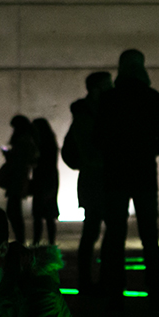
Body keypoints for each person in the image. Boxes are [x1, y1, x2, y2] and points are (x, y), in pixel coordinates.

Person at [97, 50, 159, 311]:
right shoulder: (156, 99)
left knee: (115, 237)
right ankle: (155, 294)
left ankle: (116, 295)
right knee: (150, 237)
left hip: (115, 175)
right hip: (144, 175)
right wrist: (144, 149)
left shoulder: (108, 99)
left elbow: (99, 139)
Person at [62, 71, 112, 293]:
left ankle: (91, 280)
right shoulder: (87, 114)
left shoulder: (87, 112)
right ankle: (94, 280)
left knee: (93, 231)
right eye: (107, 85)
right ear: (96, 89)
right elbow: (90, 153)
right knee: (97, 231)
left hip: (94, 180)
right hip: (97, 181)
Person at [0, 115, 39, 244]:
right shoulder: (28, 140)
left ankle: (20, 241)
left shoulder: (23, 141)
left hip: (17, 178)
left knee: (13, 211)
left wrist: (9, 155)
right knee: (14, 211)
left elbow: (20, 160)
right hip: (20, 178)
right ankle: (20, 240)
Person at [30, 118, 60, 244]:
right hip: (50, 179)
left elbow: (40, 163)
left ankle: (36, 241)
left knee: (39, 214)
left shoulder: (40, 145)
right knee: (49, 214)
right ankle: (51, 243)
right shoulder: (51, 144)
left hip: (42, 179)